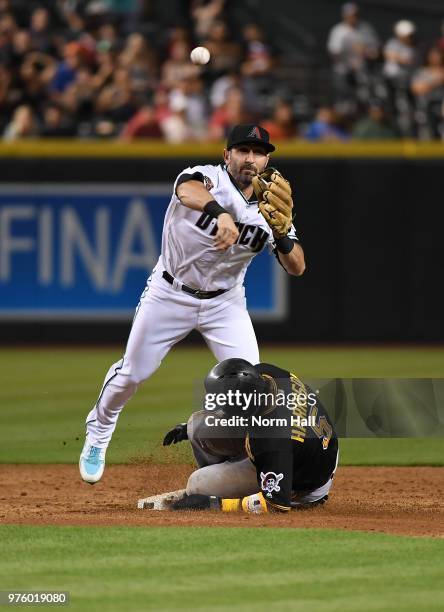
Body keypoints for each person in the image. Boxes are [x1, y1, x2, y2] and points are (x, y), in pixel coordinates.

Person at [79, 124, 305, 483]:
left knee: (252, 388)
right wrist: (221, 213)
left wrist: (281, 233)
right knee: (131, 375)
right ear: (226, 155)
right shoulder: (206, 177)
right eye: (243, 150)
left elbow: (297, 267)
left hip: (225, 304)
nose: (251, 158)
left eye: (259, 152)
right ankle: (98, 432)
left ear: (266, 160)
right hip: (169, 294)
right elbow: (187, 191)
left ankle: (240, 459)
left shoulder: (270, 207)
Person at [160, 358, 339, 514]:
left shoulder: (272, 441)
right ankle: (229, 474)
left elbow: (276, 505)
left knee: (198, 484)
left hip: (305, 483)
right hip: (311, 447)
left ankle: (225, 486)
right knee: (197, 426)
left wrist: (214, 503)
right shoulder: (267, 373)